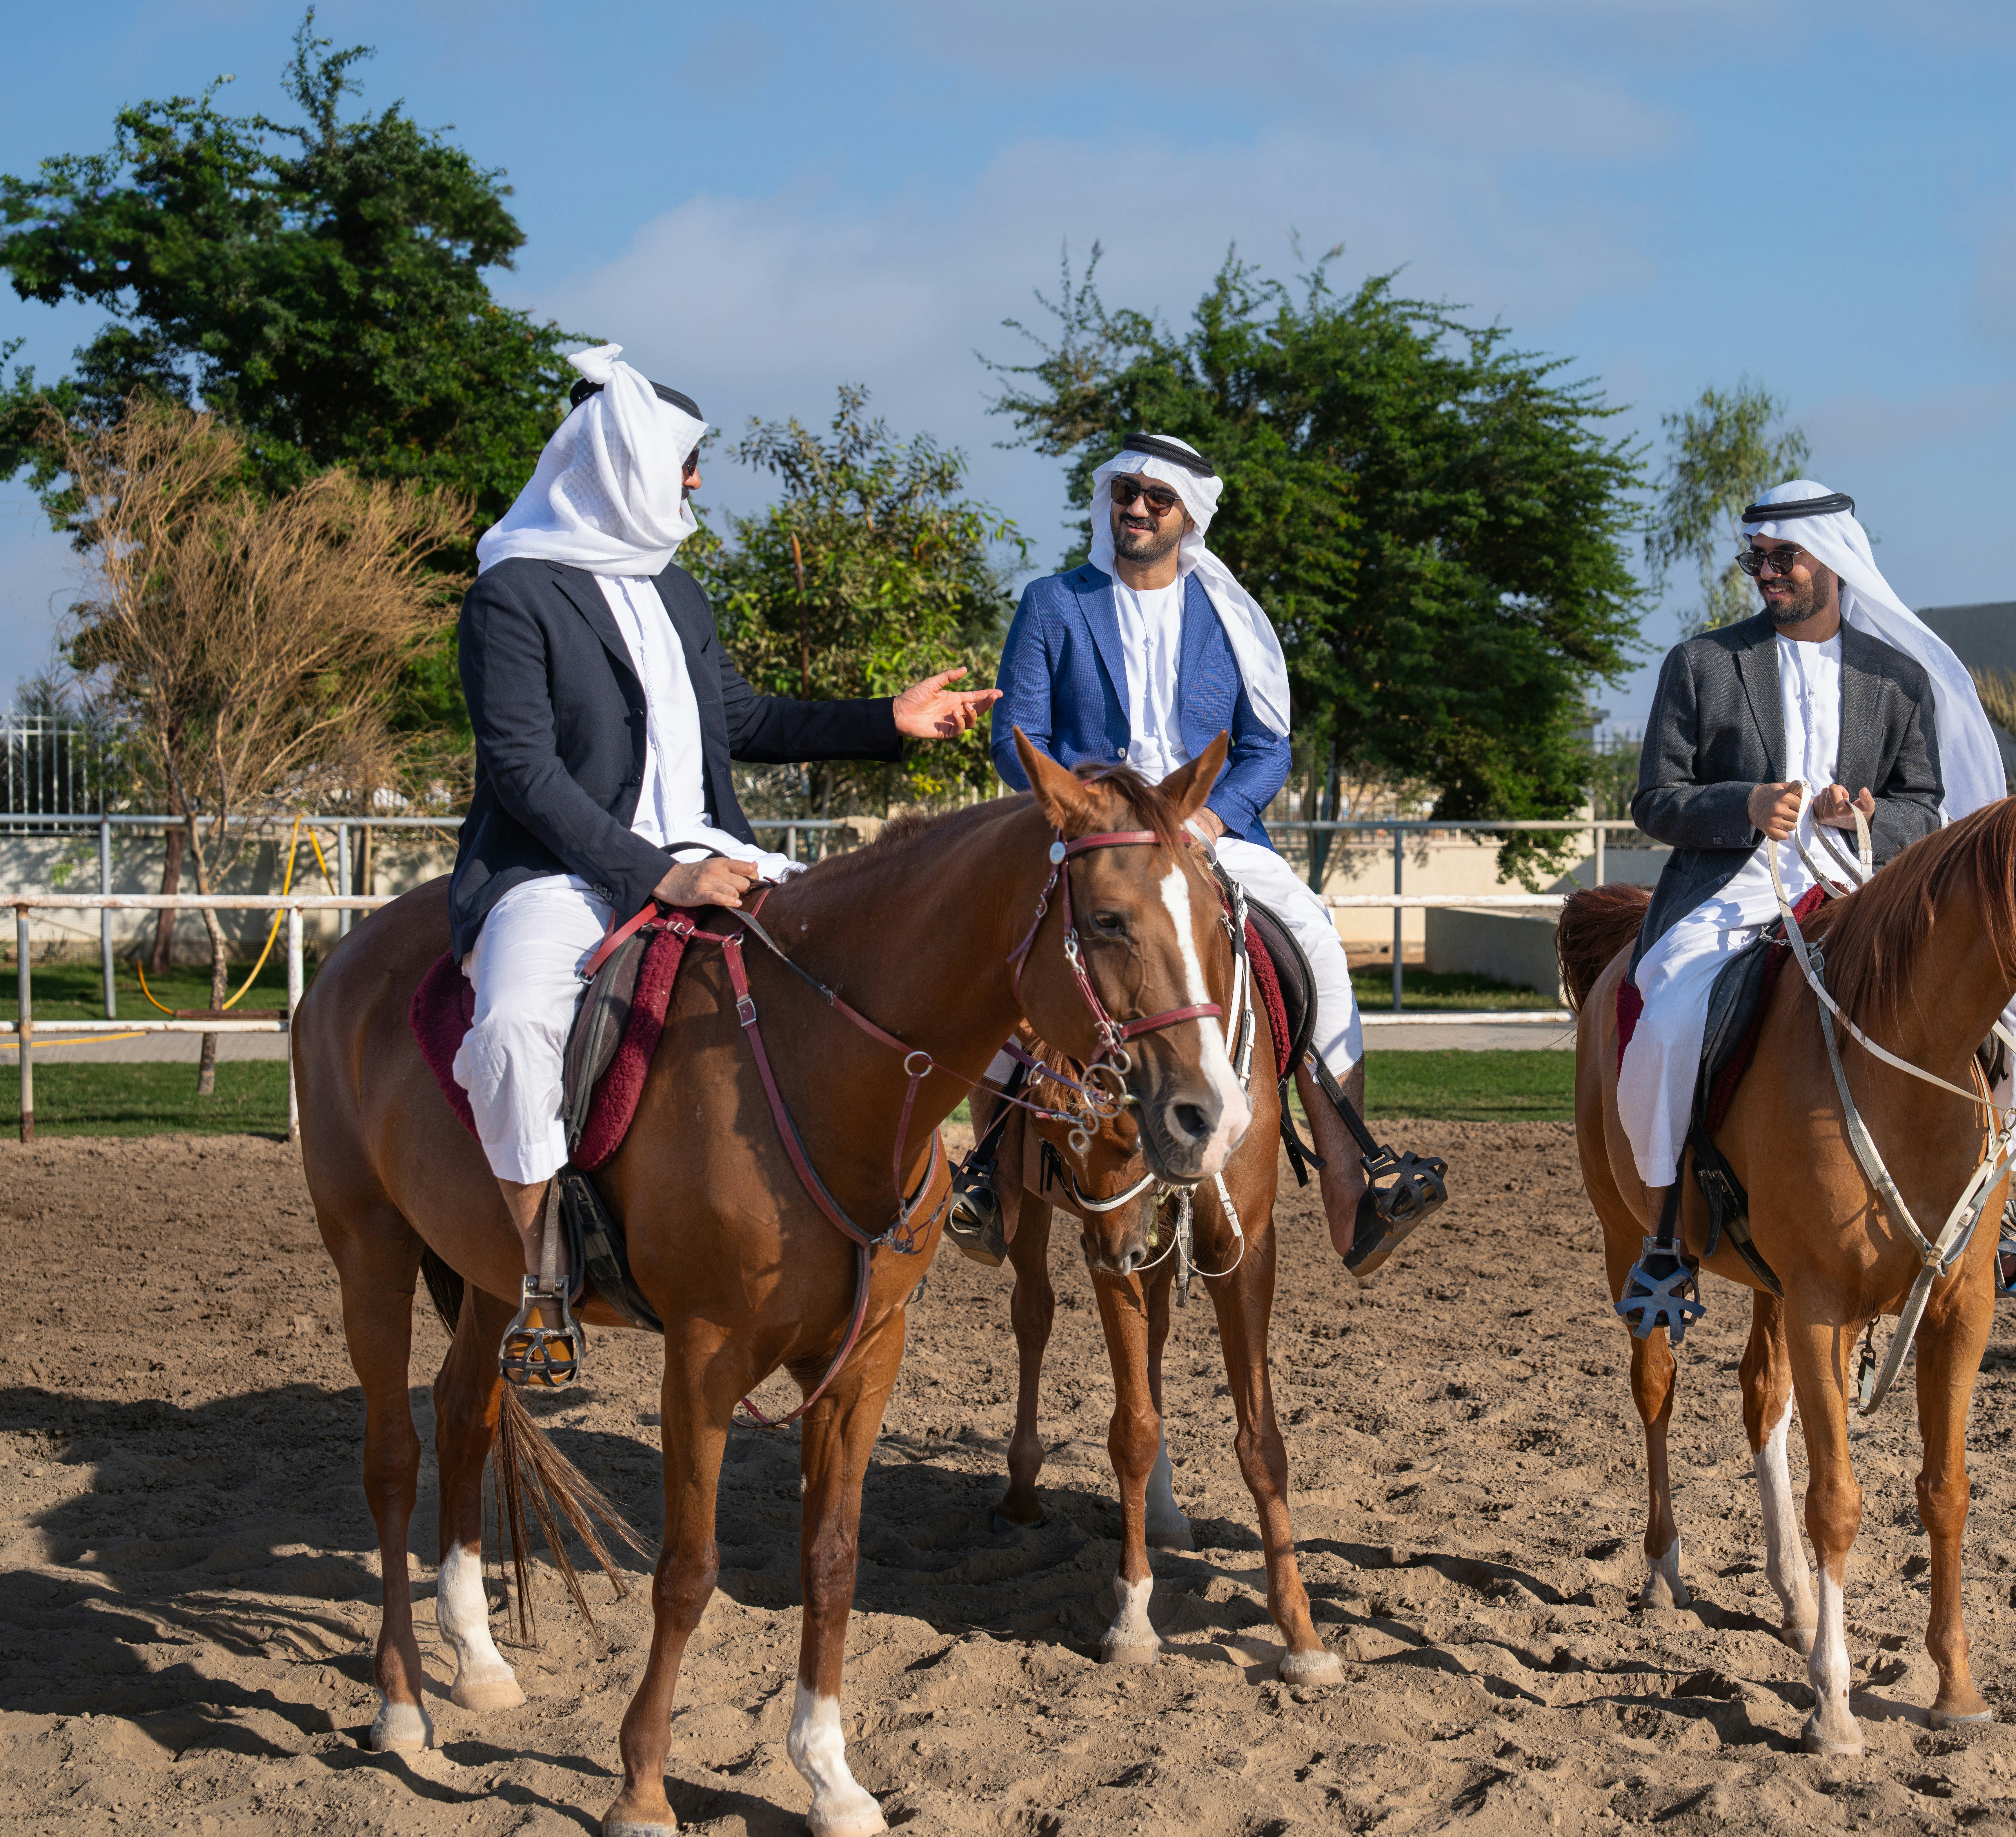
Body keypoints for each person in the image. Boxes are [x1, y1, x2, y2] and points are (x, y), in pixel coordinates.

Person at [451, 344, 999, 1388]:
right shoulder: (510, 597)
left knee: (874, 970)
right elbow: (523, 773)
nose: (698, 481)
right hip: (557, 873)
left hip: (711, 851)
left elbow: (742, 720)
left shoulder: (678, 593)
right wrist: (659, 875)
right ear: (620, 462)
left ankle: (944, 1190)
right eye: (686, 461)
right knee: (519, 1025)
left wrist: (889, 717)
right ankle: (541, 1277)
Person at [958, 431, 1447, 1279]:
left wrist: (1213, 820)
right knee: (994, 959)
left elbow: (1267, 749)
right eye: (1126, 495)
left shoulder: (1232, 617)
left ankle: (1352, 1180)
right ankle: (987, 1178)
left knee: (1319, 943)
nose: (1138, 510)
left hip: (1201, 834)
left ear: (1190, 516)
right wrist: (1088, 808)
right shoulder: (1052, 602)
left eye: (1158, 499)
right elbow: (1016, 736)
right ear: (1108, 501)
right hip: (1091, 835)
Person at [1621, 480, 2016, 1310]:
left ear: (1834, 560)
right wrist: (1745, 807)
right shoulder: (1702, 663)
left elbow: (1921, 804)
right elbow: (1655, 800)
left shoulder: (1896, 678)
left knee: (2008, 1016)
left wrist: (1864, 815)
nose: (1766, 572)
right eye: (1757, 558)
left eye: (1782, 557)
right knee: (1673, 1021)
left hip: (1862, 888)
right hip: (1733, 889)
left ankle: (2000, 1214)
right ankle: (1663, 1230)